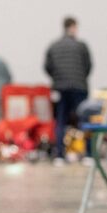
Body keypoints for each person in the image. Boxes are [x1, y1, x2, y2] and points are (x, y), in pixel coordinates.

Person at [44, 16, 92, 162]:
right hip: (79, 87)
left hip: (60, 88)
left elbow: (47, 67)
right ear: (73, 27)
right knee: (84, 119)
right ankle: (89, 154)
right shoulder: (81, 46)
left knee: (60, 120)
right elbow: (88, 66)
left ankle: (59, 155)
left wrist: (57, 79)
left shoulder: (53, 46)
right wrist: (80, 78)